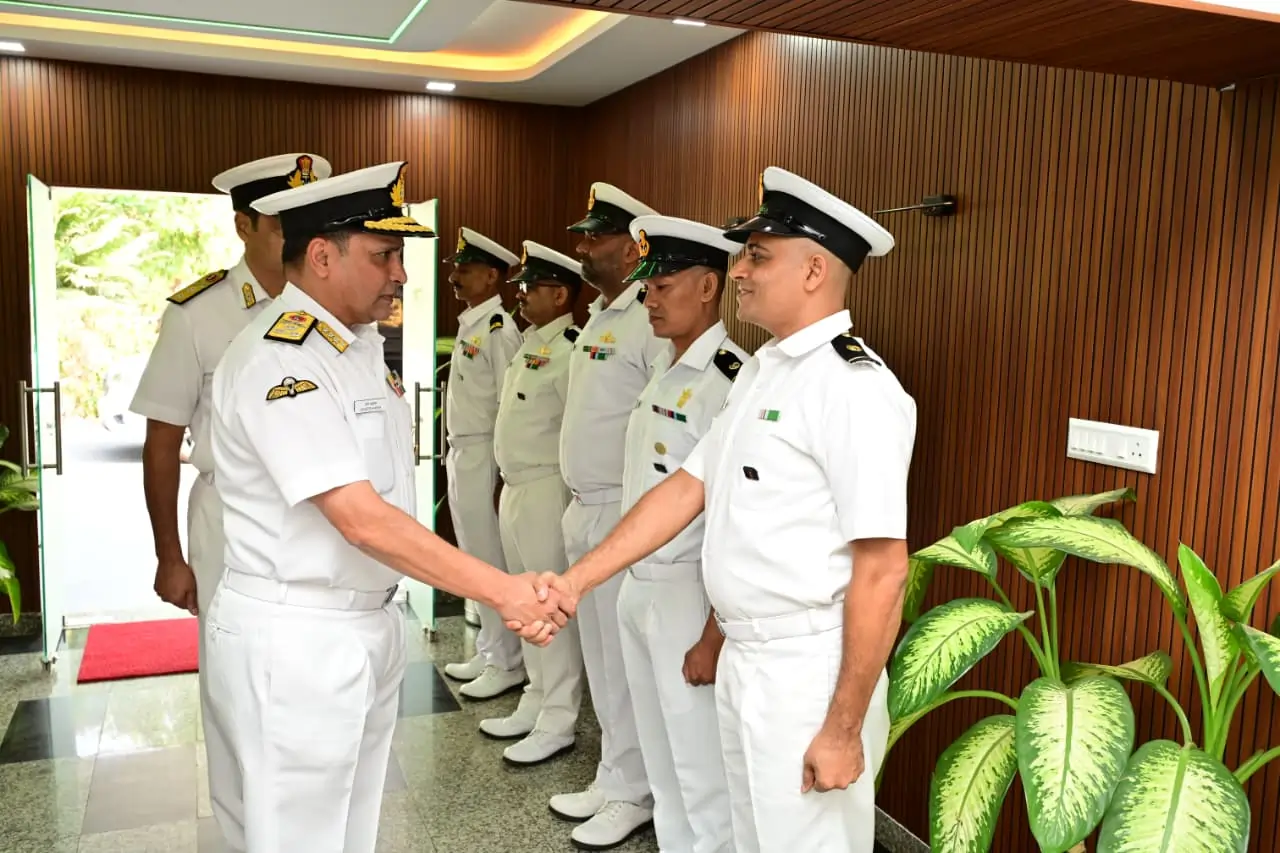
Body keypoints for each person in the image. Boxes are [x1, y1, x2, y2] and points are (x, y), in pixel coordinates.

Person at [538, 166, 917, 853]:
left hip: (807, 668)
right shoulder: (767, 373)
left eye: (757, 256)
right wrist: (575, 581)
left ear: (814, 270)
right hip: (748, 658)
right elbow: (686, 488)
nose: (738, 270)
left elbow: (884, 569)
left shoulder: (853, 388)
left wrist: (842, 727)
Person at [206, 161, 565, 853]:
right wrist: (503, 590)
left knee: (348, 829)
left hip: (360, 624)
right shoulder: (284, 359)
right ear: (321, 256)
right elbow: (360, 517)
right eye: (383, 255)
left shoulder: (356, 348)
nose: (401, 274)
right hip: (299, 636)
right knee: (300, 837)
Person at [129, 151, 332, 853]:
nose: (299, 236)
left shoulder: (332, 309)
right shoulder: (200, 313)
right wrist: (169, 554)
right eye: (282, 223)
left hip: (318, 523)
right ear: (245, 226)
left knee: (312, 691)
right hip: (229, 525)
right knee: (233, 693)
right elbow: (162, 442)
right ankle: (249, 836)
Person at [615, 214, 746, 852]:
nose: (650, 300)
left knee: (700, 767)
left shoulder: (729, 379)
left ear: (708, 287)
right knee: (661, 757)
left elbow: (735, 518)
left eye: (664, 286)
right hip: (641, 586)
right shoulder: (665, 371)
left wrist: (713, 633)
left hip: (688, 594)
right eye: (647, 287)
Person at [551, 182, 666, 849]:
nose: (583, 248)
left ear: (631, 248)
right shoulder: (600, 315)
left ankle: (635, 790)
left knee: (625, 666)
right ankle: (614, 772)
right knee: (600, 659)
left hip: (625, 514)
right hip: (583, 507)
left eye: (596, 237)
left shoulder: (646, 319)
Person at [480, 241, 588, 766]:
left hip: (547, 489)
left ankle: (558, 719)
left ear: (560, 294)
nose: (520, 295)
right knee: (523, 603)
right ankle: (535, 699)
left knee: (549, 608)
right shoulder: (529, 345)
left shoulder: (571, 350)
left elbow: (574, 432)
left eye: (530, 287)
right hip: (515, 487)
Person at [439, 227, 526, 701]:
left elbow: (508, 405)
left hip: (485, 454)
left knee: (490, 560)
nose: (455, 276)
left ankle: (507, 661)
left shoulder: (499, 329)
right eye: (456, 268)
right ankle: (491, 648)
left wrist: (498, 471)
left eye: (466, 269)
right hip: (463, 451)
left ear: (492, 276)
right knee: (474, 557)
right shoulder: (473, 323)